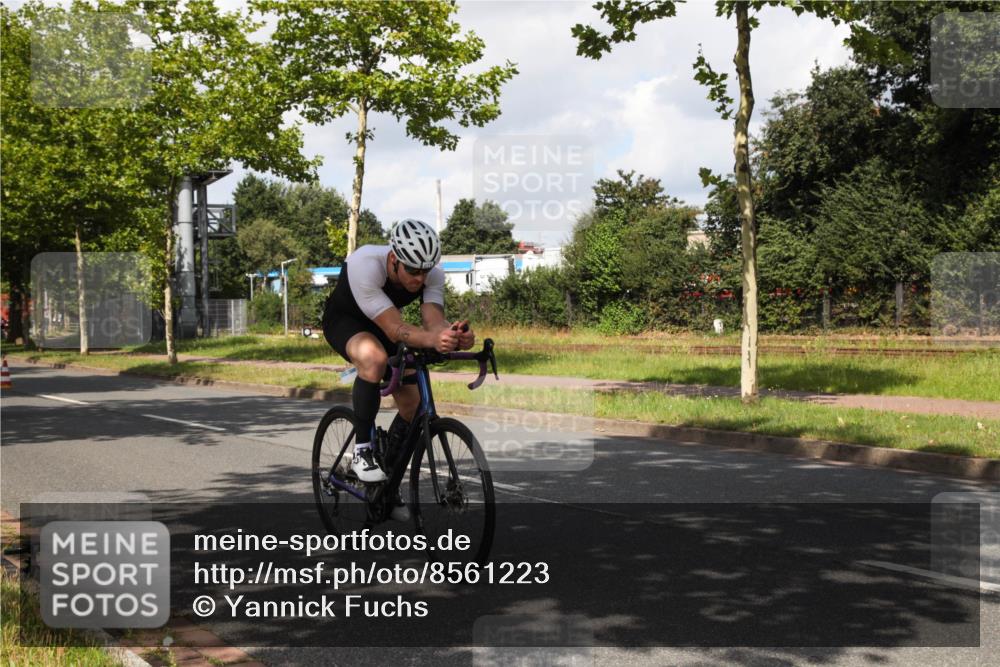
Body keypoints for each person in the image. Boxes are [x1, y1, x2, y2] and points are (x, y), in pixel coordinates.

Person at [321, 219, 475, 519]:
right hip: (346, 322)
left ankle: (386, 488)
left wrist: (453, 336)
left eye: (425, 271)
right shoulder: (366, 264)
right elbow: (395, 329)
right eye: (413, 271)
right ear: (394, 259)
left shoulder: (431, 273)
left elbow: (433, 322)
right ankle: (363, 450)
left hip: (386, 325)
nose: (420, 278)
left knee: (413, 406)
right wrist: (432, 339)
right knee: (373, 358)